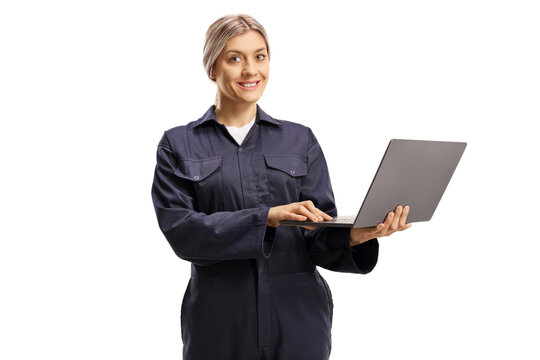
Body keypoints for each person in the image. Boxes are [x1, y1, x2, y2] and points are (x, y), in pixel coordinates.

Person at [151, 14, 411, 360]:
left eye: (260, 56)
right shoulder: (178, 144)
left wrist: (355, 236)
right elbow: (182, 232)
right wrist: (266, 218)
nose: (250, 70)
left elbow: (316, 237)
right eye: (235, 58)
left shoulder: (299, 139)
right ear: (212, 68)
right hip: (219, 323)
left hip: (298, 320)